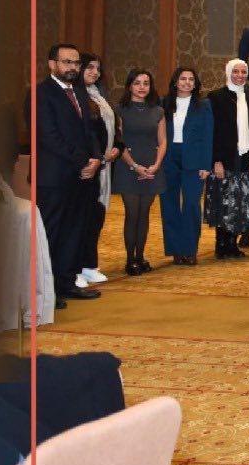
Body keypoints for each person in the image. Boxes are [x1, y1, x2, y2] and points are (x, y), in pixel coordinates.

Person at [31, 44, 104, 305]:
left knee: (73, 233)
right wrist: (82, 161)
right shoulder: (40, 94)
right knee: (51, 235)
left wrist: (95, 159)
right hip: (54, 179)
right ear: (52, 64)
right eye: (66, 62)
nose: (72, 67)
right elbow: (49, 137)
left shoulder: (79, 93)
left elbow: (90, 132)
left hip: (81, 178)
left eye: (76, 63)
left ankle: (66, 283)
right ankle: (46, 291)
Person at [207, 60, 249, 258]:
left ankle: (232, 243)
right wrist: (216, 160)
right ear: (228, 73)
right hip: (224, 157)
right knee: (224, 200)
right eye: (236, 72)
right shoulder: (216, 97)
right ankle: (221, 243)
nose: (240, 76)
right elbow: (212, 131)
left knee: (240, 201)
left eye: (243, 72)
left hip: (245, 157)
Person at [112, 69, 167, 274]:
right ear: (129, 86)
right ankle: (130, 260)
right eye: (137, 83)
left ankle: (140, 257)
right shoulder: (119, 110)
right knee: (132, 214)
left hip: (152, 167)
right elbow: (119, 142)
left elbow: (162, 141)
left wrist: (156, 164)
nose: (142, 87)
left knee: (144, 214)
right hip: (128, 167)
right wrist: (134, 166)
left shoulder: (158, 111)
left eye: (146, 83)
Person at [158, 65, 212, 266]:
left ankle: (189, 250)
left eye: (191, 79)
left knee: (191, 204)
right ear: (175, 82)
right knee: (169, 204)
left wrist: (206, 164)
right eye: (183, 79)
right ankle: (175, 250)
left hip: (194, 159)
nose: (187, 82)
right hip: (168, 157)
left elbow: (208, 136)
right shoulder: (163, 103)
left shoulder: (204, 105)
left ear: (195, 84)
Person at [75, 53, 120, 287]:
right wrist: (99, 156)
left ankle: (89, 265)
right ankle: (75, 268)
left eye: (98, 68)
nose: (95, 72)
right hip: (87, 167)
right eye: (90, 67)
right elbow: (87, 134)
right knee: (81, 220)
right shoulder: (76, 96)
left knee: (96, 218)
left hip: (104, 167)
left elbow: (112, 129)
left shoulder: (99, 96)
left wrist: (118, 147)